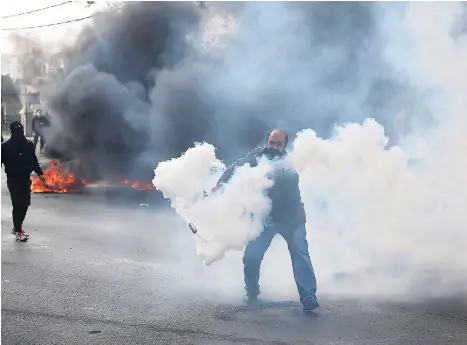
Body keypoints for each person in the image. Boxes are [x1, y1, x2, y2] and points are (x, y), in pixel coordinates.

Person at [214, 129, 320, 312]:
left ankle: (308, 296)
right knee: (251, 257)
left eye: (278, 144)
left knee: (300, 254)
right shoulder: (256, 156)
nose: (274, 147)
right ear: (267, 141)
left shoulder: (290, 164)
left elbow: (284, 188)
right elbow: (236, 168)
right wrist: (220, 185)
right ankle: (252, 292)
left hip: (291, 217)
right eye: (271, 142)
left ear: (285, 146)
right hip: (265, 218)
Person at [1, 121, 46, 241]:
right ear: (12, 132)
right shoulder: (4, 146)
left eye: (21, 131)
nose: (20, 134)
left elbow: (33, 159)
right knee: (17, 204)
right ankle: (18, 230)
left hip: (25, 179)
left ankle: (17, 226)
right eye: (17, 132)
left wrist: (40, 173)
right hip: (13, 179)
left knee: (25, 203)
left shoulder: (28, 144)